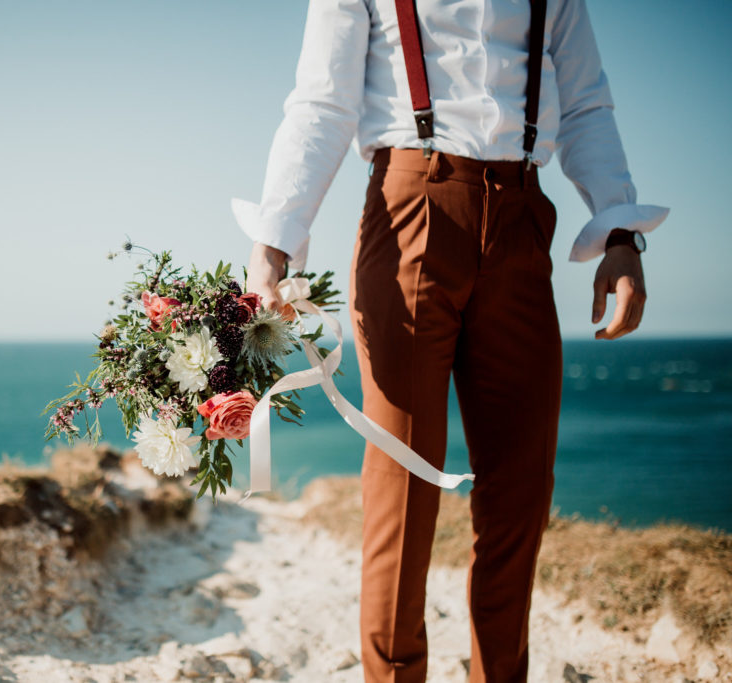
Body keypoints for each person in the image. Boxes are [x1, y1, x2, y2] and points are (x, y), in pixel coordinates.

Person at [237, 0, 669, 681]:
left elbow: (586, 104)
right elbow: (322, 102)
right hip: (410, 210)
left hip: (525, 221)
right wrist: (274, 243)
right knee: (401, 485)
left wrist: (618, 228)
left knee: (522, 487)